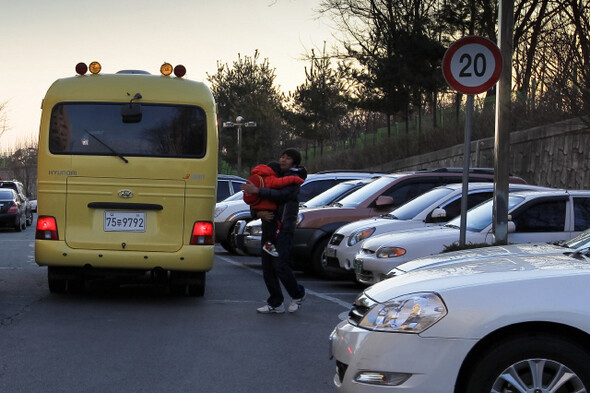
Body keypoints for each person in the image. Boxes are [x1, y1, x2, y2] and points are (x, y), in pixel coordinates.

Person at [241, 148, 307, 314]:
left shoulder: (294, 180)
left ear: (295, 162)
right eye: (282, 157)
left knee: (280, 265)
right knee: (268, 266)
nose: (283, 160)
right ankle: (275, 302)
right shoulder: (273, 176)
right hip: (269, 228)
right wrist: (258, 213)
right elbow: (258, 202)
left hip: (283, 229)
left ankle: (298, 294)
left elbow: (281, 195)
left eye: (288, 158)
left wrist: (258, 190)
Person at [242, 161, 304, 257]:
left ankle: (269, 249)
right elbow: (281, 184)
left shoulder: (260, 180)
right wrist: (296, 179)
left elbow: (254, 200)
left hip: (276, 222)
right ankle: (270, 249)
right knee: (270, 239)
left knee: (269, 239)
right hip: (273, 219)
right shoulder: (272, 180)